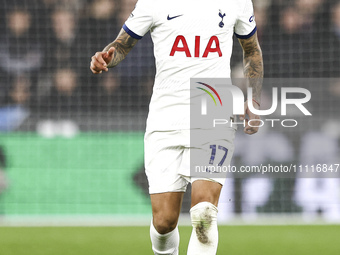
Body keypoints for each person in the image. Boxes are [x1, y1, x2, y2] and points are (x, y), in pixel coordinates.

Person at [90, 0, 263, 254]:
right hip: (165, 117)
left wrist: (254, 97)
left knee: (204, 215)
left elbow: (252, 50)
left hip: (212, 114)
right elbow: (121, 45)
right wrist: (106, 57)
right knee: (164, 223)